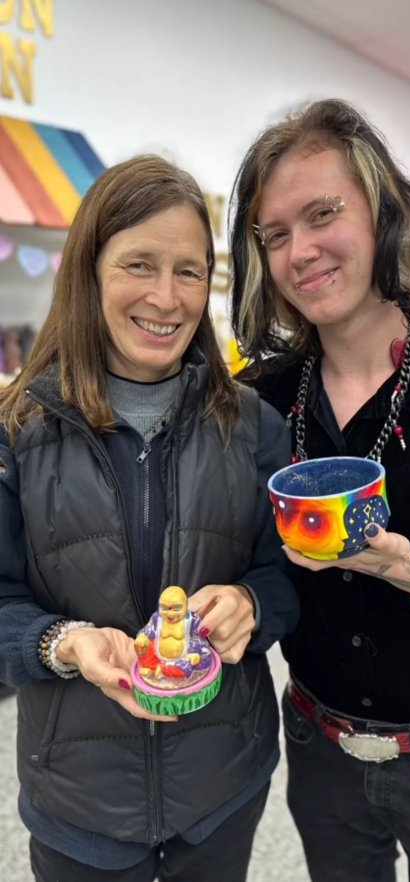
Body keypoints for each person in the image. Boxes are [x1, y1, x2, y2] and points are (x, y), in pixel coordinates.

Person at [229, 98, 410, 882]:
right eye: (274, 234)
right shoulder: (261, 400)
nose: (300, 252)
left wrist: (400, 568)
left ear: (385, 214)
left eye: (323, 213)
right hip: (318, 750)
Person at [0, 155, 299, 882]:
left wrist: (252, 604)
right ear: (89, 271)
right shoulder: (18, 430)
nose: (166, 298)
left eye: (189, 271)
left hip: (222, 790)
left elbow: (294, 578)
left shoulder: (253, 424)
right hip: (78, 804)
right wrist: (65, 644)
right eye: (139, 264)